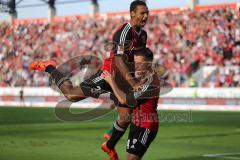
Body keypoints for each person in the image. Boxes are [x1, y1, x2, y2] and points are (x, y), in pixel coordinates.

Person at [29, 1, 149, 159]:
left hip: (123, 81)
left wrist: (140, 76)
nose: (146, 16)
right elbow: (119, 60)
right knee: (71, 95)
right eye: (142, 13)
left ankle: (108, 146)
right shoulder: (124, 32)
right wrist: (133, 83)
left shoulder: (143, 35)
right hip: (108, 76)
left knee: (126, 116)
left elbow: (136, 61)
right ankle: (50, 67)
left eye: (147, 13)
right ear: (132, 13)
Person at [101, 47, 160, 160]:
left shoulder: (151, 83)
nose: (136, 66)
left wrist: (111, 81)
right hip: (136, 124)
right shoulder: (142, 76)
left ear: (149, 63)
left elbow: (125, 100)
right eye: (135, 63)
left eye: (140, 63)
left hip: (146, 127)